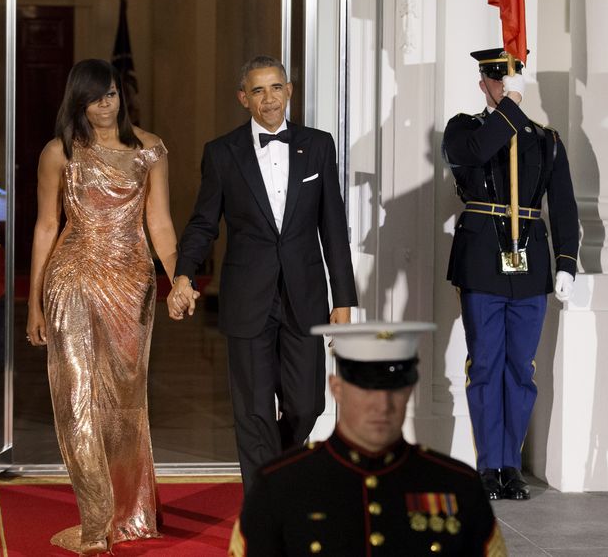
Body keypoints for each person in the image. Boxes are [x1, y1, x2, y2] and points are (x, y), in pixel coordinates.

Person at [167, 55, 357, 490]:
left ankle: (279, 474)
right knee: (252, 410)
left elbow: (333, 227)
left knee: (307, 404)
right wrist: (184, 275)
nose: (268, 98)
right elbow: (202, 224)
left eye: (276, 88)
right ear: (243, 98)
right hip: (247, 296)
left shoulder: (320, 145)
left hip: (305, 297)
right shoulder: (221, 153)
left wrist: (343, 300)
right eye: (258, 90)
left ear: (289, 91)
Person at [25, 58, 178, 555]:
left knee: (124, 403)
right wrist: (34, 304)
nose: (106, 105)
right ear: (78, 103)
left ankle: (127, 514)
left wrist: (179, 280)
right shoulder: (59, 153)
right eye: (95, 98)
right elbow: (47, 226)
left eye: (111, 94)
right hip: (72, 277)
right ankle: (94, 525)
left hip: (131, 283)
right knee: (76, 397)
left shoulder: (150, 151)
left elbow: (160, 224)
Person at [230, 322, 508, 556]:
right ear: (337, 389)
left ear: (410, 390)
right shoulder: (279, 487)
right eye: (365, 390)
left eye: (393, 390)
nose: (381, 405)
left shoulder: (458, 487)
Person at [442, 48, 579, 501]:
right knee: (485, 366)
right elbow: (479, 153)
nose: (503, 88)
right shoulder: (464, 129)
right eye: (497, 82)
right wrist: (512, 111)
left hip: (530, 262)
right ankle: (487, 466)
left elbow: (562, 205)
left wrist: (565, 261)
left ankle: (510, 466)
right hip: (483, 258)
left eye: (511, 81)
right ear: (484, 84)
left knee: (521, 368)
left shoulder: (546, 139)